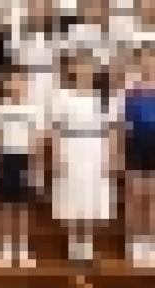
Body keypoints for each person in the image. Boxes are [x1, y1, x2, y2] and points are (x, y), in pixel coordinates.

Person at [50, 52, 115, 263]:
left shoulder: (102, 98)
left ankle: (87, 242)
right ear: (72, 69)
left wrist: (110, 154)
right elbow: (56, 128)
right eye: (80, 66)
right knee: (72, 193)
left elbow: (110, 129)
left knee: (90, 194)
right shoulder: (63, 96)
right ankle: (73, 242)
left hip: (94, 148)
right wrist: (57, 153)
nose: (84, 71)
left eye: (88, 67)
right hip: (71, 146)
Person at [116, 45, 155, 267]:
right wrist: (120, 153)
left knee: (151, 197)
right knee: (135, 196)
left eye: (153, 60)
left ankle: (150, 241)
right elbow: (122, 126)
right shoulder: (130, 91)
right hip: (135, 145)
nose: (148, 64)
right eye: (145, 60)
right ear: (139, 64)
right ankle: (134, 241)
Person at [0, 70, 43, 268]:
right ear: (7, 85)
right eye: (13, 81)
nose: (16, 85)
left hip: (25, 158)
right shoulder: (0, 110)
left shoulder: (33, 110)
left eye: (20, 81)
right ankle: (4, 248)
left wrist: (36, 165)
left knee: (22, 207)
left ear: (26, 85)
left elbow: (37, 141)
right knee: (5, 206)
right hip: (5, 158)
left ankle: (21, 248)